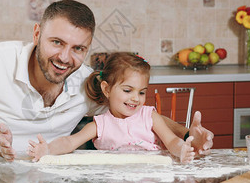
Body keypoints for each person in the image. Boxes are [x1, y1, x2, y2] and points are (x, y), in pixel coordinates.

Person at [0, 0, 213, 162]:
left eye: (78, 49)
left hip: (48, 181)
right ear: (37, 34)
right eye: (56, 42)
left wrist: (187, 134)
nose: (64, 57)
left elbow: (139, 115)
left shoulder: (88, 84)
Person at [27, 52, 195, 163]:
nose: (136, 98)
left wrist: (182, 149)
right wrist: (48, 149)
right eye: (128, 90)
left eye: (142, 92)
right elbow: (70, 142)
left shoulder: (149, 116)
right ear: (106, 89)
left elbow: (171, 140)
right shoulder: (100, 124)